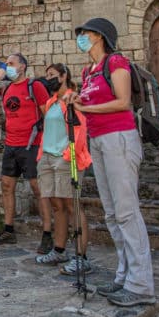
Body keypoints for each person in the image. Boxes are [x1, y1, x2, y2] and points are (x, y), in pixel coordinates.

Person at [70, 18, 156, 307]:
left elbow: (122, 102)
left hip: (119, 137)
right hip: (98, 140)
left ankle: (141, 284)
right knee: (111, 212)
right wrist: (76, 101)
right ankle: (124, 275)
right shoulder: (88, 72)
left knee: (127, 211)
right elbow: (86, 105)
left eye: (85, 34)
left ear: (99, 36)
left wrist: (86, 106)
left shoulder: (115, 62)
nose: (80, 38)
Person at [0, 52, 51, 250]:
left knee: (37, 189)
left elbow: (48, 114)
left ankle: (47, 233)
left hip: (31, 145)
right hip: (11, 145)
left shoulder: (35, 87)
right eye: (6, 64)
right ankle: (8, 230)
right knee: (6, 186)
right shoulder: (5, 90)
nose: (8, 67)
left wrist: (47, 144)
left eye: (11, 63)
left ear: (22, 66)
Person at [34, 64, 93, 277]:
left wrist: (71, 155)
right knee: (56, 205)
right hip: (48, 159)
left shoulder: (72, 99)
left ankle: (81, 257)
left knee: (72, 205)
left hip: (66, 158)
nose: (48, 78)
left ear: (64, 76)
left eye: (52, 75)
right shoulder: (51, 103)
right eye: (46, 75)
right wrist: (41, 156)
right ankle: (59, 250)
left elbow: (82, 129)